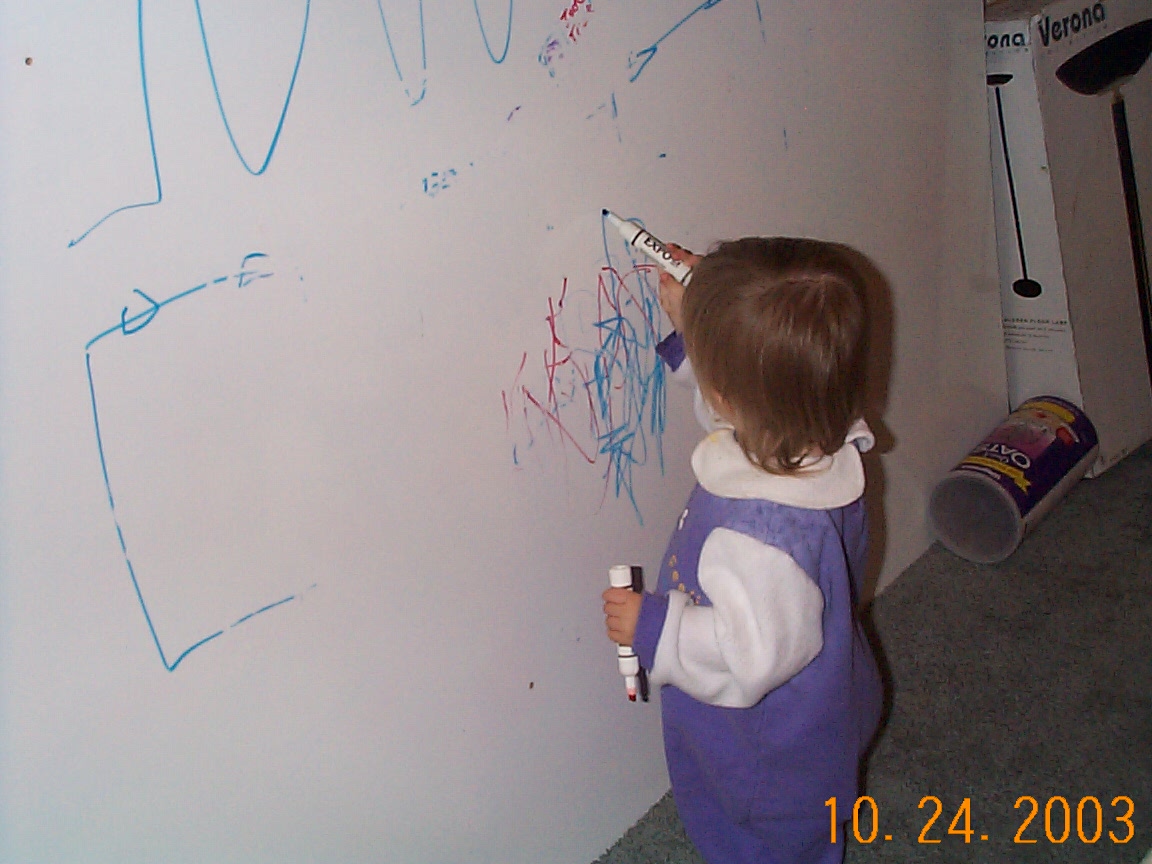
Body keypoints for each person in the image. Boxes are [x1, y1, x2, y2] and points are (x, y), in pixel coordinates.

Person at [602, 237, 884, 864]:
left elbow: (746, 655)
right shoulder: (817, 435)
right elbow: (748, 409)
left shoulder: (758, 539)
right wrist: (700, 322)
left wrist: (653, 627)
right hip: (826, 688)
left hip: (770, 752)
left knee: (764, 845)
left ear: (725, 393)